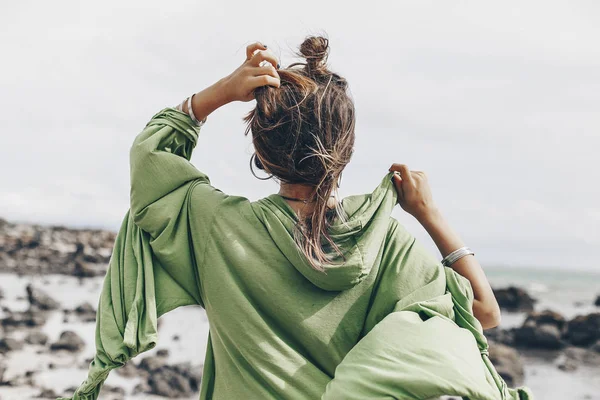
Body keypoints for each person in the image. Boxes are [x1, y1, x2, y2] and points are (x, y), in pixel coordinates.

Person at [60, 35, 533, 400]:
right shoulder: (386, 241)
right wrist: (430, 216)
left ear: (262, 156)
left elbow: (151, 157)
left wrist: (219, 94)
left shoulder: (216, 227)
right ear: (345, 152)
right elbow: (484, 315)